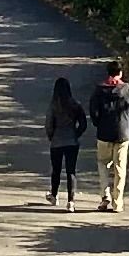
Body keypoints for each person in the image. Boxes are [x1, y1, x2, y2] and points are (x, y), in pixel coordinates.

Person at [89, 57, 129, 212]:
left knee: (103, 164)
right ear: (120, 72)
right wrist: (128, 125)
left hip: (104, 133)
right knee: (120, 168)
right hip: (122, 134)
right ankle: (117, 202)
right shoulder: (128, 90)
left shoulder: (99, 90)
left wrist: (98, 123)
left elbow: (93, 111)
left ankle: (105, 197)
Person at [44, 74, 90, 207]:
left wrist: (51, 136)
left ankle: (54, 195)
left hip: (57, 141)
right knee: (71, 171)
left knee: (56, 170)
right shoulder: (75, 105)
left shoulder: (53, 105)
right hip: (72, 141)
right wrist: (76, 134)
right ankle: (71, 201)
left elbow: (49, 124)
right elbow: (83, 123)